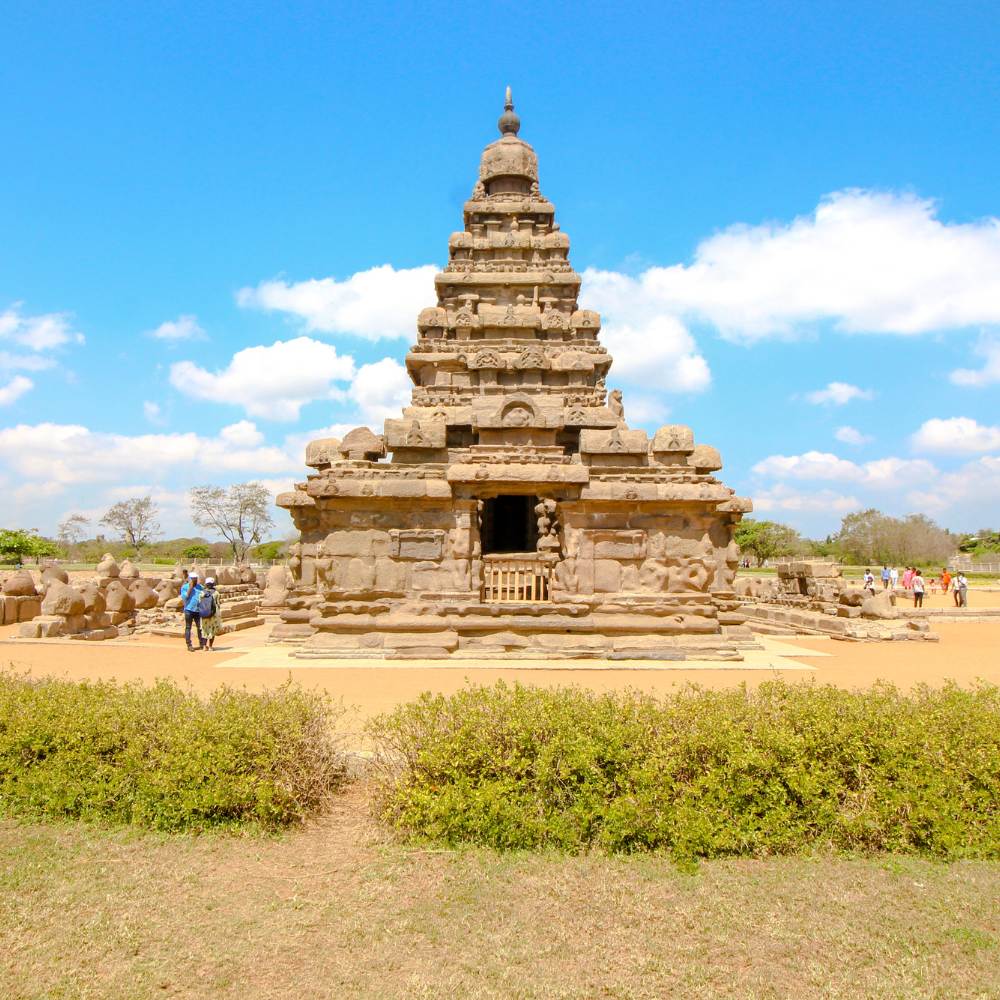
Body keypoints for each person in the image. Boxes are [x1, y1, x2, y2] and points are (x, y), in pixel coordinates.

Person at [180, 571, 205, 651]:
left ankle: (201, 643)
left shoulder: (200, 587)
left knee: (200, 627)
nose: (195, 580)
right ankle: (189, 644)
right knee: (188, 627)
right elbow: (185, 597)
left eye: (196, 579)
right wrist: (190, 588)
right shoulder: (185, 587)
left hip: (198, 610)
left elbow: (203, 596)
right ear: (190, 579)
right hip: (189, 610)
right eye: (193, 579)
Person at [199, 577, 223, 650]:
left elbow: (199, 602)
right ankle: (210, 646)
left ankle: (204, 646)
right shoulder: (216, 593)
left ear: (206, 584)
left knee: (204, 630)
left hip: (204, 614)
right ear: (213, 584)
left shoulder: (202, 593)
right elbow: (218, 604)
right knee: (212, 630)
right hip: (213, 615)